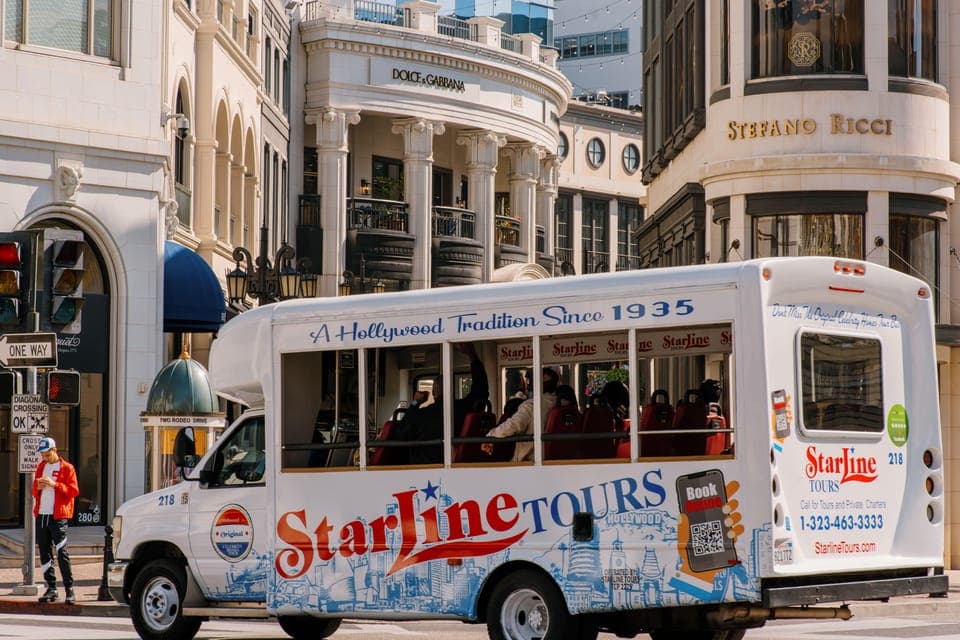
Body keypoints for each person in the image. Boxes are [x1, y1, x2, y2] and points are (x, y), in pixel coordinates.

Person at [396, 343, 489, 464]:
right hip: (456, 463)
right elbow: (481, 391)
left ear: (433, 392)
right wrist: (472, 356)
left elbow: (401, 434)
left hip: (423, 466)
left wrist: (415, 403)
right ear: (452, 390)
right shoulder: (462, 408)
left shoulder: (422, 414)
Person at [32, 437, 80, 604]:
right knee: (45, 553)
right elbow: (34, 491)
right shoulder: (41, 467)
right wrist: (38, 487)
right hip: (42, 515)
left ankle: (69, 589)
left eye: (46, 454)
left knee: (62, 552)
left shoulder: (67, 468)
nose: (44, 458)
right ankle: (51, 588)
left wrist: (55, 484)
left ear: (54, 450)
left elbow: (73, 491)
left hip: (58, 516)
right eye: (42, 455)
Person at [482, 367, 559, 462]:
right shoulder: (560, 402)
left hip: (528, 459)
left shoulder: (532, 405)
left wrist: (490, 436)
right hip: (549, 457)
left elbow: (514, 425)